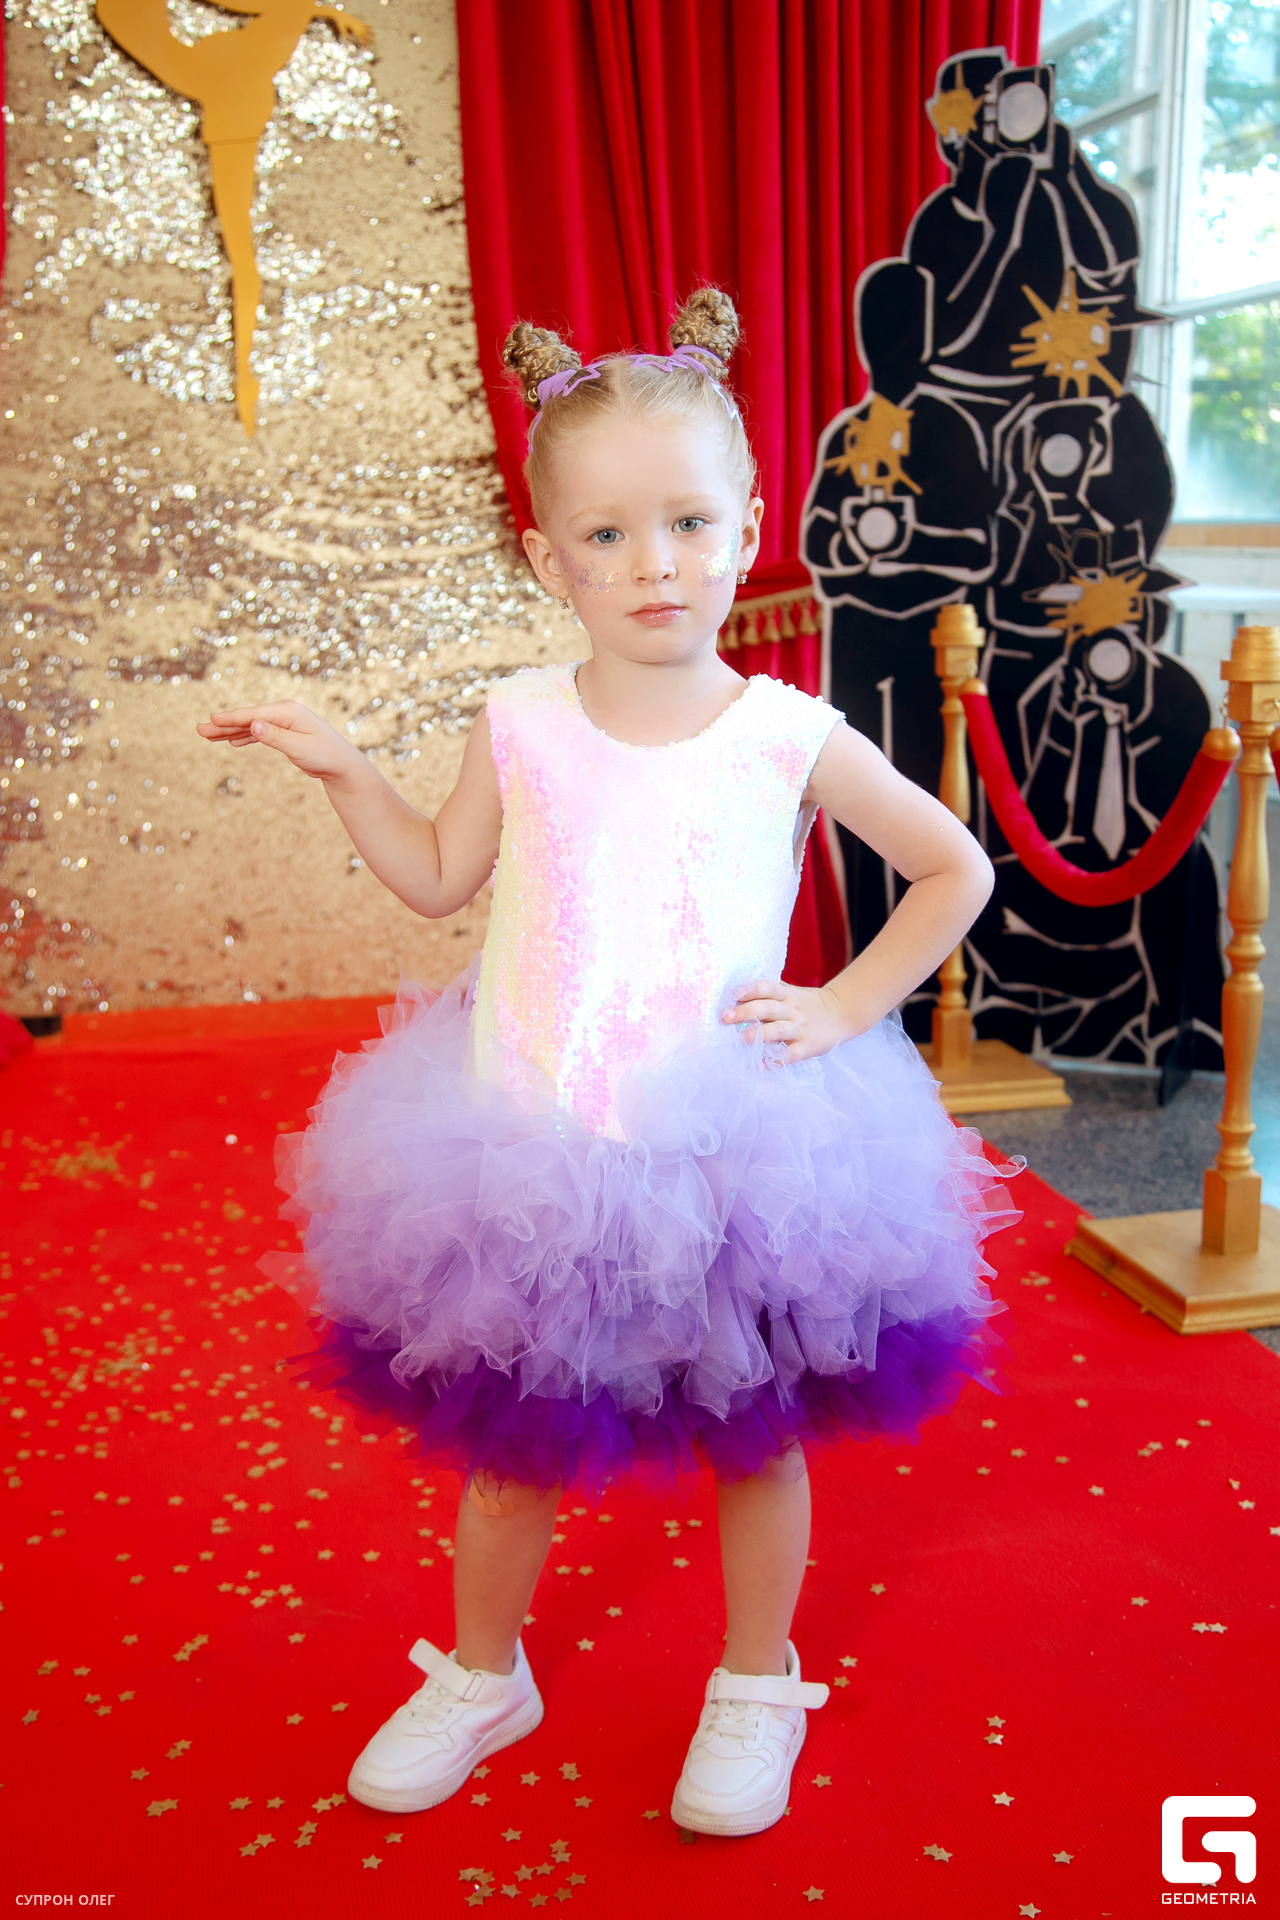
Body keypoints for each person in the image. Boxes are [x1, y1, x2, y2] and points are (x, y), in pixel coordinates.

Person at [197, 286, 1016, 1839]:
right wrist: (350, 770)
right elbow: (440, 879)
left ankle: (756, 1679)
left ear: (749, 529)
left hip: (734, 1155)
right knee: (514, 1446)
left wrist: (845, 1007)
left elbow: (953, 868)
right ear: (547, 559)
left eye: (690, 524)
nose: (656, 565)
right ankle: (485, 1672)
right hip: (534, 1134)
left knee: (756, 1437)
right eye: (609, 535)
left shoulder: (783, 730)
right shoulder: (518, 721)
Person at [95, 1, 373, 433]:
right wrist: (326, 14)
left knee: (243, 261)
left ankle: (244, 372)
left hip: (231, 123)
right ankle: (244, 372)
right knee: (243, 261)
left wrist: (324, 14)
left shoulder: (227, 58)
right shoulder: (244, 54)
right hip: (230, 123)